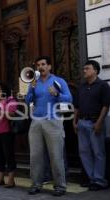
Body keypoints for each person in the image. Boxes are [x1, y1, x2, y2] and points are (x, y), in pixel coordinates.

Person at [25, 56, 72, 196]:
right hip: (36, 121)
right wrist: (31, 90)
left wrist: (57, 94)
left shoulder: (59, 81)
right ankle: (36, 184)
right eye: (38, 65)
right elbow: (28, 100)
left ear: (49, 66)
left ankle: (60, 186)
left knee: (56, 155)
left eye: (43, 64)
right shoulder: (34, 82)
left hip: (53, 121)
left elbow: (69, 98)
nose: (41, 67)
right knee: (35, 156)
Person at [73, 60, 110, 190]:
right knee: (84, 152)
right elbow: (76, 106)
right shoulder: (81, 87)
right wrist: (74, 121)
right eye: (84, 69)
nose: (84, 71)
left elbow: (106, 106)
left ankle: (100, 181)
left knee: (98, 152)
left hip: (95, 122)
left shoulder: (103, 85)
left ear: (95, 70)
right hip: (82, 123)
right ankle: (92, 178)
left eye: (87, 68)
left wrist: (100, 122)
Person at [0, 83, 17, 188]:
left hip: (6, 131)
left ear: (4, 90)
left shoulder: (10, 100)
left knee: (9, 155)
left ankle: (11, 179)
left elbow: (12, 114)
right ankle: (0, 178)